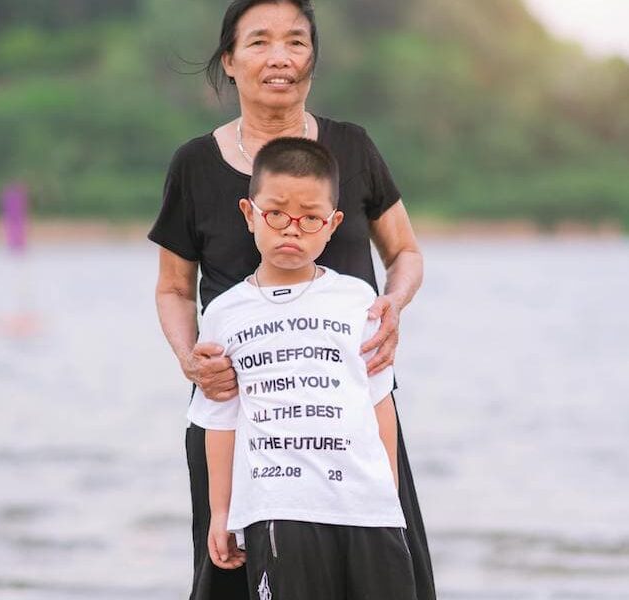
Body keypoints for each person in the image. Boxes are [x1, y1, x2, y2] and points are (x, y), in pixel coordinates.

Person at [149, 1, 435, 598]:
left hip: (350, 418)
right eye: (259, 42)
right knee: (234, 572)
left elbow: (405, 254)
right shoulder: (194, 165)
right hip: (242, 419)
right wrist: (189, 358)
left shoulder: (352, 149)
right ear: (229, 60)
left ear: (312, 58)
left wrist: (394, 307)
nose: (279, 57)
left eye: (296, 42)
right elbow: (175, 288)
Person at [189, 137, 417, 599]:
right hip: (278, 508)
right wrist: (221, 512)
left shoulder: (358, 302)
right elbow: (221, 420)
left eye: (310, 218)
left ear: (332, 225)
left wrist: (388, 493)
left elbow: (379, 404)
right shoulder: (224, 313)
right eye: (276, 214)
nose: (292, 230)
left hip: (365, 507)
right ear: (249, 213)